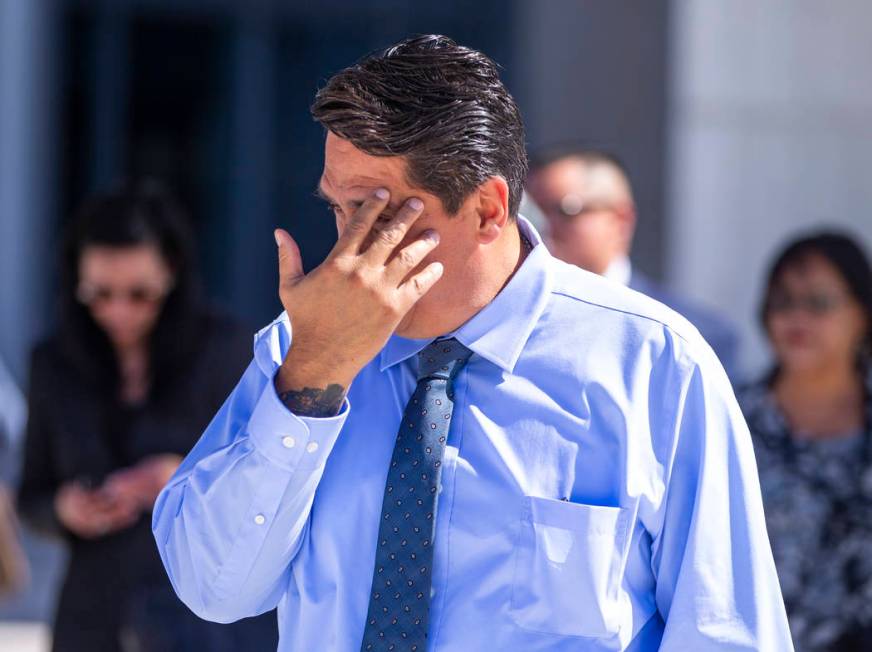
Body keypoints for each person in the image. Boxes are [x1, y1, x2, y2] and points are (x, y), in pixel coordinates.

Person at [153, 35, 791, 651]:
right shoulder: (301, 350)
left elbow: (726, 632)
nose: (347, 254)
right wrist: (310, 385)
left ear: (488, 209)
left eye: (377, 215)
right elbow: (214, 589)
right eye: (337, 212)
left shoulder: (655, 364)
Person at [17, 182, 277, 651]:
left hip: (201, 620)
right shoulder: (52, 361)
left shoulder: (224, 349)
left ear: (172, 272)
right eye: (98, 293)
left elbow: (270, 482)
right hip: (91, 616)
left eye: (140, 294)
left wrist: (175, 477)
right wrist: (66, 508)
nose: (118, 311)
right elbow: (31, 496)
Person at [739, 232, 872, 652]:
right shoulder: (729, 416)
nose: (797, 317)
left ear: (862, 313)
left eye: (819, 302)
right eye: (782, 301)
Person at [526, 147, 741, 380]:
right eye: (530, 212)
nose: (542, 226)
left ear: (621, 219)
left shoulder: (693, 333)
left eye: (564, 210)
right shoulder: (512, 321)